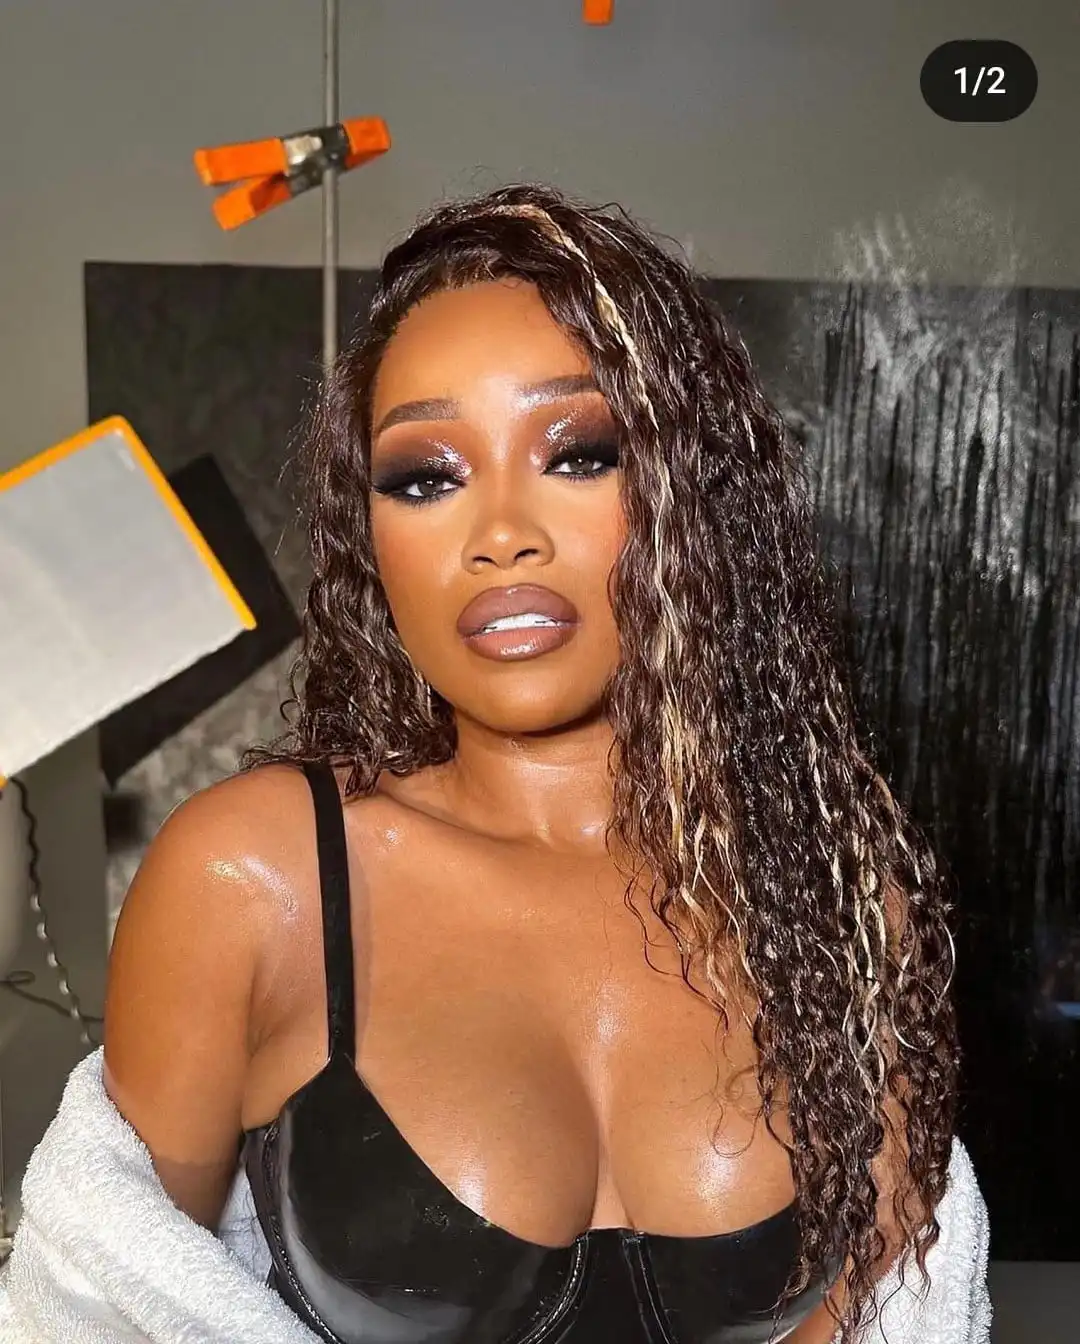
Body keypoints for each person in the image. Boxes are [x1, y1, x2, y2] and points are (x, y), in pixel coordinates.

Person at [101, 183, 964, 1344]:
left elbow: (892, 1308)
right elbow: (102, 1309)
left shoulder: (836, 901)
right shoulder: (257, 882)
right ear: (370, 537)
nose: (501, 533)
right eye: (426, 476)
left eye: (578, 453)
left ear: (693, 496)